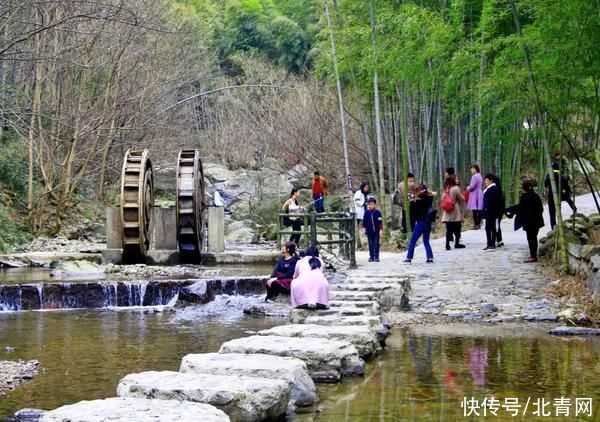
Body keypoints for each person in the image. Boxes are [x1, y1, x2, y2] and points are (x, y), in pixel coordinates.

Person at [505, 180, 545, 263]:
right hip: (537, 221)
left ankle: (533, 256)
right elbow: (541, 209)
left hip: (529, 222)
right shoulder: (536, 196)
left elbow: (520, 208)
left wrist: (510, 210)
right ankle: (533, 255)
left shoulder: (524, 197)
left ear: (524, 188)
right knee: (534, 238)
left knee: (531, 238)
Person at [403, 184, 434, 263]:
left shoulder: (417, 201)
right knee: (426, 240)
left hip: (421, 223)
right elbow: (430, 194)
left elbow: (413, 214)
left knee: (413, 240)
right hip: (428, 223)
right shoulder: (428, 199)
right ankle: (430, 257)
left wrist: (412, 202)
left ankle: (409, 257)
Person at [544, 161, 576, 229]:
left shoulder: (549, 176)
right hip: (560, 194)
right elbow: (565, 183)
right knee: (567, 198)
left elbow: (545, 184)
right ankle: (574, 209)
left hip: (552, 196)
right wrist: (568, 191)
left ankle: (553, 227)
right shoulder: (559, 176)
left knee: (552, 213)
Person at [441, 175, 466, 250]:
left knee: (448, 229)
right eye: (455, 179)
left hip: (447, 211)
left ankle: (447, 245)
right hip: (455, 210)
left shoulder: (446, 188)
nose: (457, 180)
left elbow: (442, 198)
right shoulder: (456, 188)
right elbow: (462, 198)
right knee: (457, 227)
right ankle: (457, 243)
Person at [482, 173, 502, 251]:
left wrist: (486, 208)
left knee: (490, 228)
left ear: (491, 180)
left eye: (486, 180)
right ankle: (490, 243)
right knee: (490, 228)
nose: (485, 182)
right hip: (491, 211)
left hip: (491, 211)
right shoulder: (493, 188)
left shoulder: (492, 189)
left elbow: (491, 201)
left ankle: (491, 243)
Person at [363, 197, 383, 262]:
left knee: (376, 244)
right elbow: (364, 222)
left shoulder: (378, 213)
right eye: (369, 204)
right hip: (369, 231)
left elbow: (380, 222)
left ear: (375, 204)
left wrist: (380, 230)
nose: (370, 206)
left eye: (371, 204)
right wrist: (364, 229)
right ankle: (371, 257)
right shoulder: (366, 213)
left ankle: (377, 257)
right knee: (371, 244)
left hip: (376, 231)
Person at [466, 164, 484, 229]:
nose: (471, 170)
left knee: (474, 210)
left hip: (474, 193)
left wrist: (468, 188)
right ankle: (478, 224)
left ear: (475, 169)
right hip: (479, 192)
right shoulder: (480, 176)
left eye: (472, 169)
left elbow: (472, 186)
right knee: (479, 210)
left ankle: (476, 224)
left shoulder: (474, 176)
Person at [492, 175, 505, 247]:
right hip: (500, 211)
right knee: (497, 225)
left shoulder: (495, 191)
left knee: (495, 226)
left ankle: (495, 240)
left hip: (495, 211)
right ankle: (499, 240)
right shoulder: (501, 191)